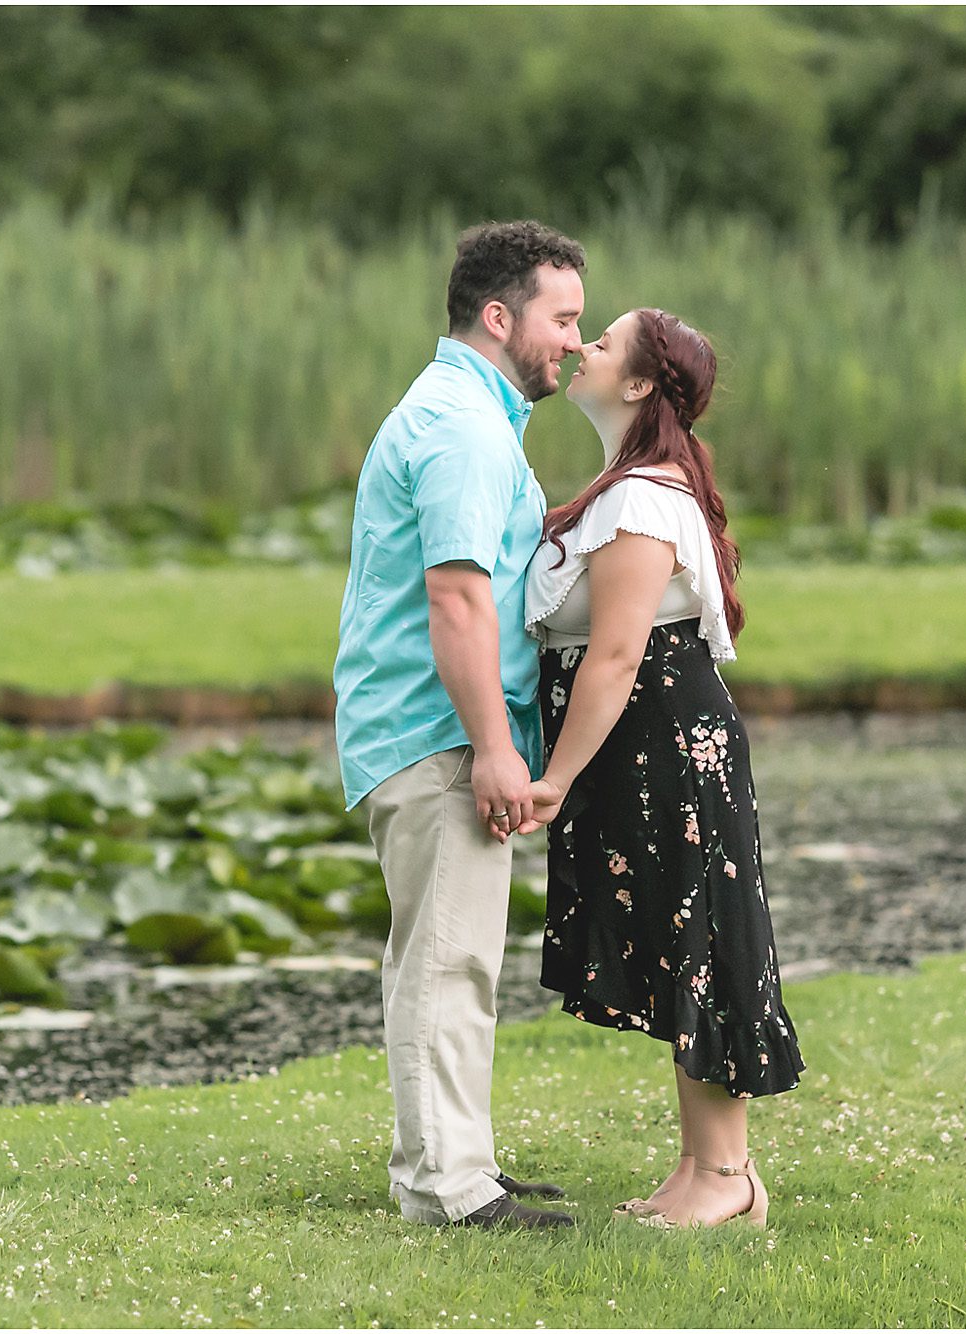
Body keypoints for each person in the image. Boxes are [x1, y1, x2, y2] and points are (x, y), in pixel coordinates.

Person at [519, 306, 805, 1228]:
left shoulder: (645, 496)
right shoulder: (630, 484)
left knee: (703, 939)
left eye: (601, 343)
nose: (581, 348)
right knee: (677, 939)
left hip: (667, 748)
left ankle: (728, 1179)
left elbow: (615, 655)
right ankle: (701, 1170)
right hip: (647, 750)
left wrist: (553, 780)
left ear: (639, 384)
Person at [333, 221, 585, 1230]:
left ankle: (445, 1161)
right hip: (438, 732)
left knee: (437, 953)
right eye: (561, 317)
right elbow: (456, 599)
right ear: (499, 315)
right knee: (449, 955)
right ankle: (446, 1187)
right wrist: (491, 744)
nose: (575, 338)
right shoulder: (464, 429)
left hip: (424, 724)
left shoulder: (462, 413)